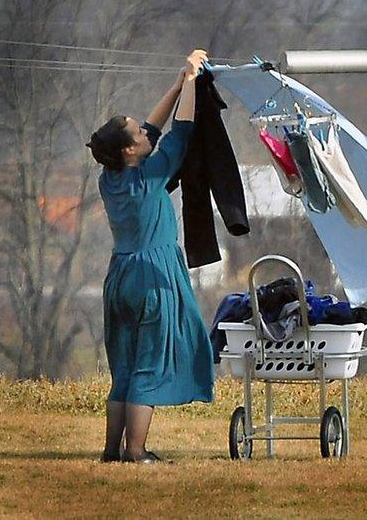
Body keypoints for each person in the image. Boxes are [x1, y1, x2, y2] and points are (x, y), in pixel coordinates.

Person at [86, 49, 213, 464]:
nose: (144, 132)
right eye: (136, 135)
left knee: (123, 367)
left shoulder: (113, 179)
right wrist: (192, 82)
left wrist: (179, 83)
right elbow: (182, 130)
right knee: (148, 365)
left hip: (120, 275)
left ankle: (111, 451)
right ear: (128, 151)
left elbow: (154, 130)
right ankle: (136, 451)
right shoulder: (151, 175)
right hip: (153, 278)